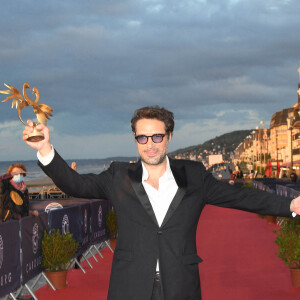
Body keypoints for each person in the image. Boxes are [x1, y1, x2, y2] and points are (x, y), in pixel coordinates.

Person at [22, 106, 300, 300]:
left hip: (180, 284)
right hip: (129, 284)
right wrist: (45, 149)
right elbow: (75, 184)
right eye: (142, 137)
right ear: (136, 140)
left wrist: (290, 205)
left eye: (157, 136)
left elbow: (242, 196)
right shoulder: (118, 175)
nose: (150, 144)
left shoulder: (193, 175)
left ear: (168, 137)